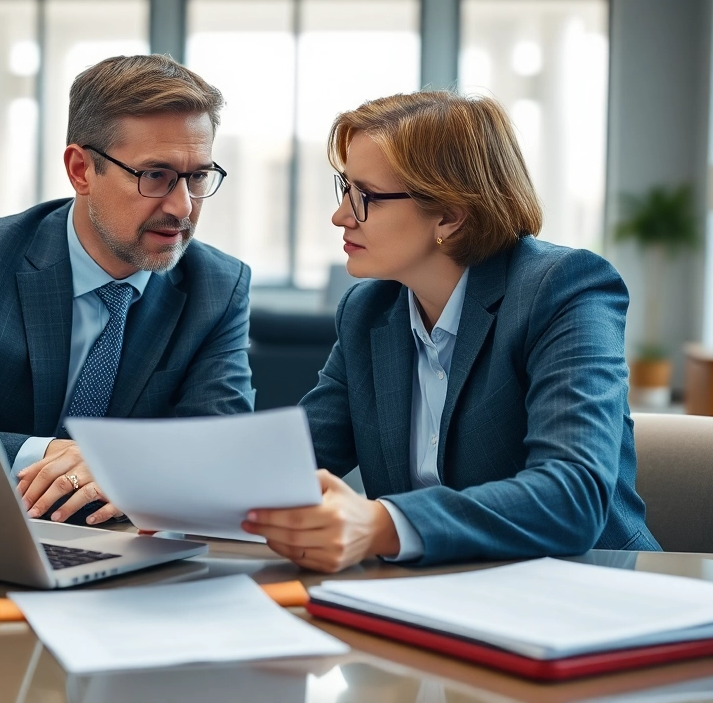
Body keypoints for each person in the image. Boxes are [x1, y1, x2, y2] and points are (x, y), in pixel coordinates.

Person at [242, 91, 660, 571]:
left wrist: (382, 524)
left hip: (589, 587)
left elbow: (572, 496)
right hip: (432, 592)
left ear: (449, 215)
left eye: (365, 197)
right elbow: (291, 463)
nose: (341, 216)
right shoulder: (368, 311)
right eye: (345, 189)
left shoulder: (564, 289)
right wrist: (179, 486)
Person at [0, 54, 253, 526]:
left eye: (197, 176)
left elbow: (220, 449)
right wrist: (54, 455)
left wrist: (120, 463)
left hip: (131, 545)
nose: (182, 207)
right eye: (154, 175)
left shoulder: (218, 286)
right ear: (80, 170)